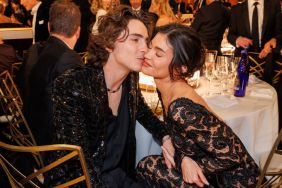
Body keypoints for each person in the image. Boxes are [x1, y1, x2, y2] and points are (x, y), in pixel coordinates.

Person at [49, 5, 172, 187]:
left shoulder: (129, 79)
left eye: (146, 41)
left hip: (117, 175)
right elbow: (77, 164)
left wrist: (166, 137)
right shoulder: (74, 85)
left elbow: (144, 113)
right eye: (135, 40)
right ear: (108, 43)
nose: (145, 49)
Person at [137, 23, 260, 187]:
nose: (148, 54)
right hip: (212, 170)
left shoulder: (181, 107)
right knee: (146, 166)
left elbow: (233, 156)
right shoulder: (167, 90)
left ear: (181, 68)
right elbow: (181, 137)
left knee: (147, 167)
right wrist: (183, 158)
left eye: (158, 54)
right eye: (150, 47)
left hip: (234, 181)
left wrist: (185, 163)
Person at [24, 1, 83, 147]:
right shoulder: (70, 59)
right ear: (78, 31)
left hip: (29, 133)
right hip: (52, 147)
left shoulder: (35, 49)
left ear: (49, 27)